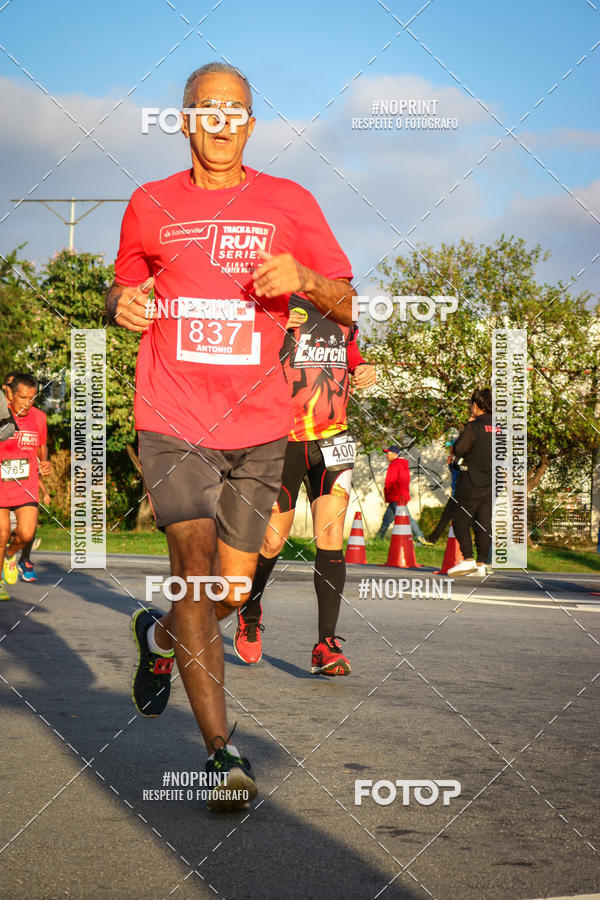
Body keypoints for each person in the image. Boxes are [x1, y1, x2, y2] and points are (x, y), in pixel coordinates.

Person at [106, 62, 356, 809]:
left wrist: (304, 281)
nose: (220, 121)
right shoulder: (149, 203)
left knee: (228, 590)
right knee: (190, 562)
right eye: (206, 108)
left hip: (257, 424)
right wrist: (120, 303)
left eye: (236, 110)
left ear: (251, 124)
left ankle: (157, 639)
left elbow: (345, 298)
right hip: (173, 414)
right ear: (183, 120)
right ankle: (220, 753)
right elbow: (122, 283)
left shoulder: (290, 202)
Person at [234, 299, 376, 672]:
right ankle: (249, 608)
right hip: (282, 437)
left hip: (333, 438)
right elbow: (242, 351)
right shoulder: (278, 300)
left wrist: (363, 367)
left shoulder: (342, 304)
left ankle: (325, 645)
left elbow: (351, 348)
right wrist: (273, 321)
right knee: (272, 539)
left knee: (331, 535)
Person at [0, 373, 51, 600]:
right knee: (1, 534)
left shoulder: (39, 418)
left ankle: (10, 556)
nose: (27, 403)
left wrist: (45, 461)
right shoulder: (1, 417)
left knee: (27, 533)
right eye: (22, 397)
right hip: (1, 485)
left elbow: (41, 445)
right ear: (9, 393)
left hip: (26, 486)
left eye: (31, 398)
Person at [447, 388, 494, 577]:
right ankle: (482, 564)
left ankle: (467, 559)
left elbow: (459, 449)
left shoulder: (474, 426)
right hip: (491, 480)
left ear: (476, 406)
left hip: (471, 477)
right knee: (483, 522)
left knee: (460, 518)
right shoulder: (500, 428)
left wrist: (466, 428)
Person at [376, 447, 431, 544]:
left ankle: (420, 537)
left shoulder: (394, 464)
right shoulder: (403, 464)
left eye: (388, 453)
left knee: (407, 517)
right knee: (387, 519)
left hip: (396, 496)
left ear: (394, 454)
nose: (386, 455)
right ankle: (378, 539)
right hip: (401, 495)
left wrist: (388, 492)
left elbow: (390, 481)